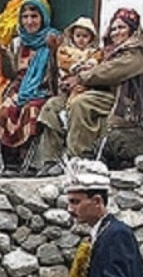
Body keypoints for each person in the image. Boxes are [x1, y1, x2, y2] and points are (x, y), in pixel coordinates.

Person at [62, 8, 143, 169]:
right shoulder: (110, 51)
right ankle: (50, 160)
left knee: (81, 103)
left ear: (132, 29)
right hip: (107, 93)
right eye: (113, 28)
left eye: (122, 27)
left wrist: (81, 77)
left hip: (126, 101)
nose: (116, 32)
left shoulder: (137, 51)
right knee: (54, 105)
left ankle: (80, 156)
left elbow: (110, 72)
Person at [0, 0, 59, 170]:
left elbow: (56, 74)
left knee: (31, 110)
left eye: (34, 16)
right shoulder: (18, 42)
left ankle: (27, 159)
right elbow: (11, 74)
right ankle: (11, 160)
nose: (29, 21)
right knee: (4, 110)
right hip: (20, 89)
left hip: (43, 89)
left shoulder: (53, 39)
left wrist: (53, 52)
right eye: (25, 17)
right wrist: (2, 53)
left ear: (43, 18)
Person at [34, 16, 103, 174]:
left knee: (77, 104)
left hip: (87, 90)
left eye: (85, 36)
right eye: (78, 36)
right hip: (67, 89)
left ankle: (74, 157)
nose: (81, 40)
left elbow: (97, 70)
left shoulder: (96, 53)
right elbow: (63, 64)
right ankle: (51, 159)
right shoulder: (65, 51)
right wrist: (75, 68)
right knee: (51, 107)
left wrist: (87, 69)